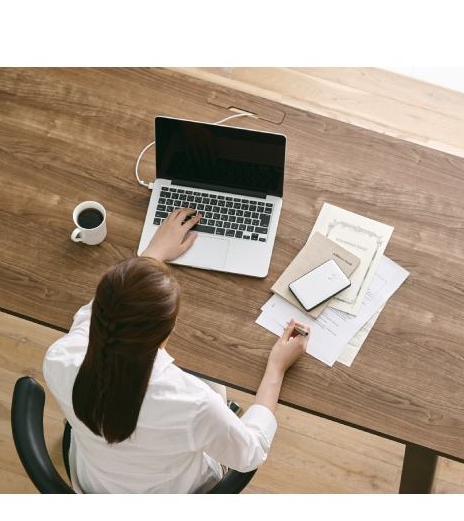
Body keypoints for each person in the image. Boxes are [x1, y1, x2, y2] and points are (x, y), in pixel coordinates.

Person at [43, 208, 309, 493]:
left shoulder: (60, 358)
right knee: (215, 386)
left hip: (96, 485)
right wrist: (276, 368)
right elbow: (250, 452)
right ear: (165, 335)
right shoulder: (194, 405)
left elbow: (100, 310)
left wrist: (153, 253)